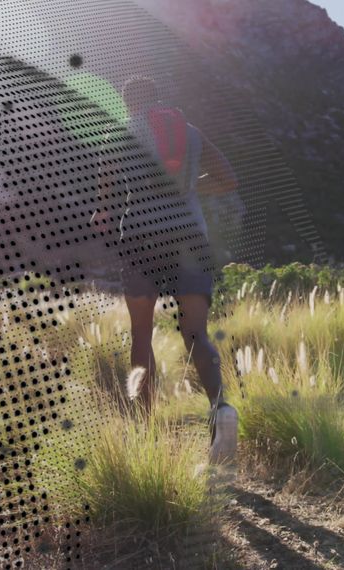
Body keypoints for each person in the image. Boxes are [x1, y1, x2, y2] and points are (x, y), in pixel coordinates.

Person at [96, 76, 243, 463]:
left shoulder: (123, 131)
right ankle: (221, 412)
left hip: (142, 238)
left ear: (129, 104)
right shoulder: (190, 132)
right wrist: (191, 188)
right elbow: (229, 179)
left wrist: (105, 212)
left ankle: (145, 435)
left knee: (142, 335)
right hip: (191, 239)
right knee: (196, 333)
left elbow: (107, 198)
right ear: (157, 101)